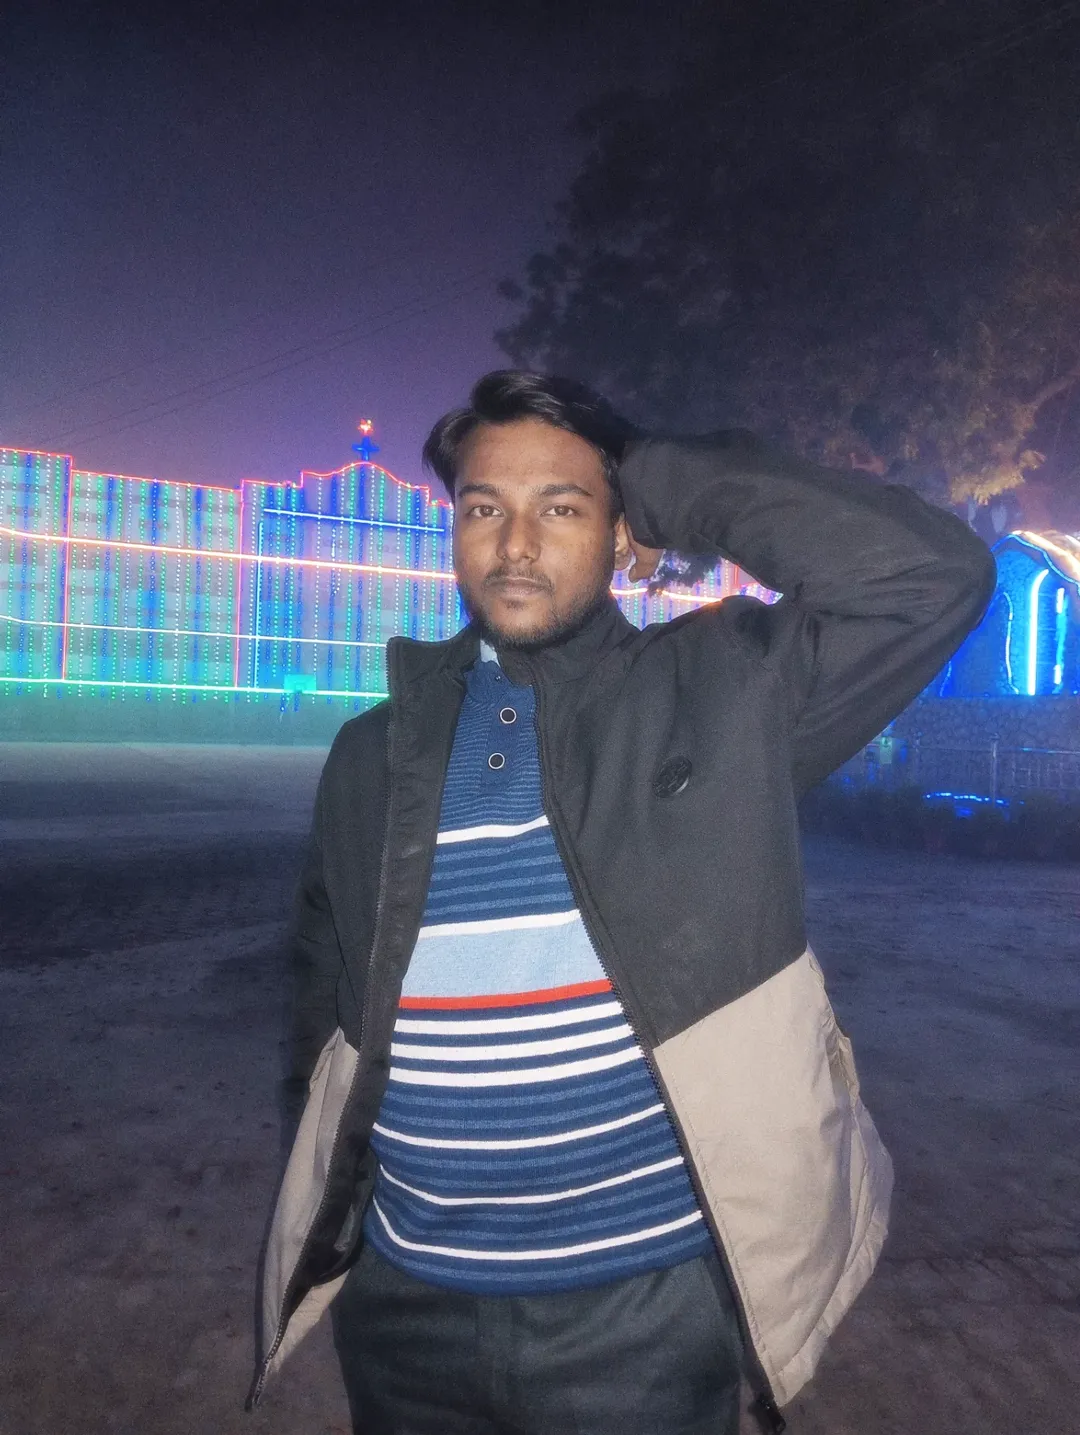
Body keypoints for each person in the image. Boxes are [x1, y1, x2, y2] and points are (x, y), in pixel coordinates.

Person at [249, 371, 995, 1433]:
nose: (516, 545)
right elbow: (321, 1005)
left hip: (641, 1325)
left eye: (561, 507)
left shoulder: (724, 694)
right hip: (405, 1312)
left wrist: (657, 478)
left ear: (620, 534)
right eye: (484, 507)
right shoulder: (374, 753)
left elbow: (933, 576)